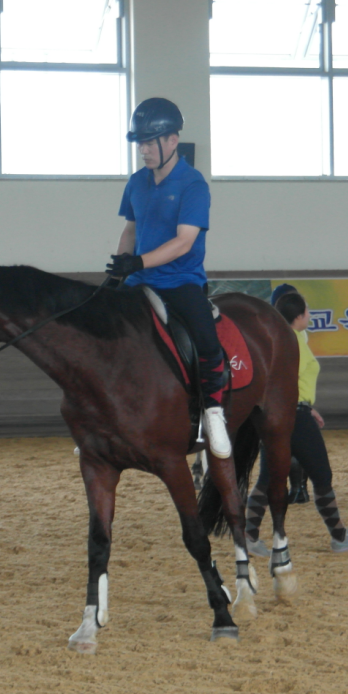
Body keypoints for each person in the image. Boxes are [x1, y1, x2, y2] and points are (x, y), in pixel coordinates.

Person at [105, 98, 231, 459]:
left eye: (149, 143)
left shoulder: (193, 185)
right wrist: (119, 267)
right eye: (140, 143)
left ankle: (213, 413)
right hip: (136, 281)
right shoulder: (136, 182)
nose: (143, 150)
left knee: (206, 341)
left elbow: (184, 242)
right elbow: (131, 229)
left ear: (172, 140)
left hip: (180, 281)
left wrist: (138, 262)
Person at [245, 285, 348, 554]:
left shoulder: (281, 338)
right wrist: (300, 406)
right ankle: (340, 537)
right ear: (299, 316)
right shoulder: (293, 342)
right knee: (321, 475)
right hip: (294, 417)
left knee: (268, 478)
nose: (310, 314)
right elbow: (286, 380)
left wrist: (305, 404)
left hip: (280, 415)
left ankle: (249, 536)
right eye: (307, 311)